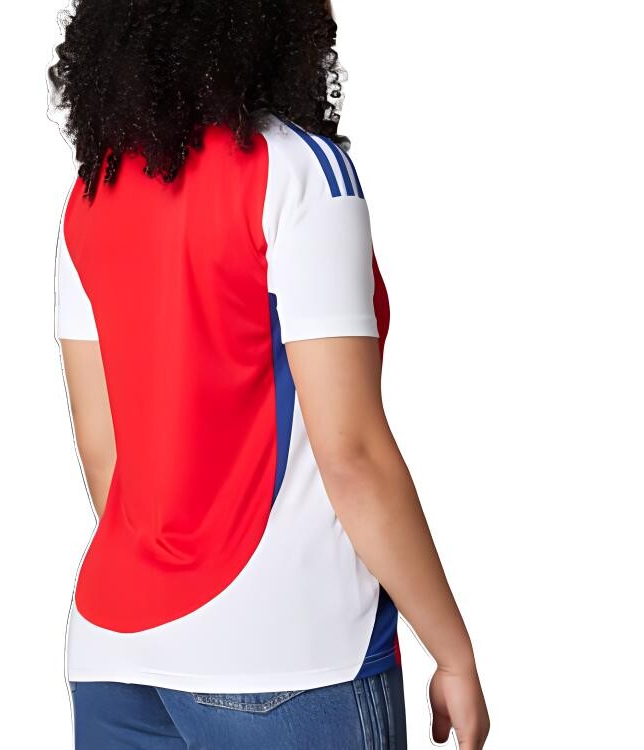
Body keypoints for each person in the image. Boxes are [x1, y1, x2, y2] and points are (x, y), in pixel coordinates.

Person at [48, 1, 490, 748]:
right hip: (290, 653)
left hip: (115, 654)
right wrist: (453, 652)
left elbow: (105, 453)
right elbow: (353, 456)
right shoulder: (299, 172)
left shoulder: (92, 193)